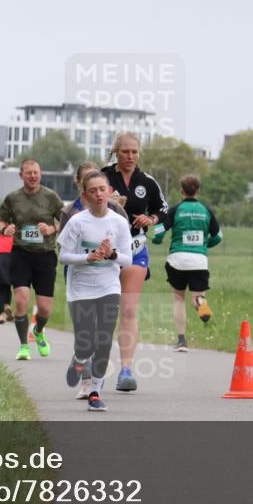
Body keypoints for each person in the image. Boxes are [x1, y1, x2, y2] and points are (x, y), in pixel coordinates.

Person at [58, 170, 133, 411]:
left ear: (110, 191)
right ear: (84, 195)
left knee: (103, 340)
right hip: (80, 289)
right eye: (93, 191)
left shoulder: (119, 222)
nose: (99, 194)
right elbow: (63, 256)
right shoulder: (77, 222)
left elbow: (127, 260)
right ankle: (80, 359)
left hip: (109, 287)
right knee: (86, 342)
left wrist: (112, 255)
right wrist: (87, 257)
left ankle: (95, 391)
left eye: (103, 189)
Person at [102, 132, 167, 391]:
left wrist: (150, 220)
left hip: (136, 248)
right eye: (125, 151)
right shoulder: (102, 176)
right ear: (116, 152)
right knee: (104, 311)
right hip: (105, 250)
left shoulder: (147, 181)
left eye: (135, 152)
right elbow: (83, 204)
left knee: (128, 310)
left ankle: (126, 371)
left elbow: (163, 209)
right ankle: (91, 362)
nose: (130, 156)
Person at [0, 159, 64, 361]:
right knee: (21, 300)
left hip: (45, 255)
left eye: (36, 172)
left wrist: (52, 229)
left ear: (40, 174)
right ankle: (24, 345)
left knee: (44, 308)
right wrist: (4, 229)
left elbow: (66, 220)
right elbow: (1, 219)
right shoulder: (12, 198)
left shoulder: (51, 197)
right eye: (28, 173)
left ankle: (39, 331)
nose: (32, 176)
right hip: (21, 253)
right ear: (21, 176)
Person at [151, 174, 223, 353]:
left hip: (177, 260)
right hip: (199, 260)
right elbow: (218, 236)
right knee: (197, 296)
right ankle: (202, 306)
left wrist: (157, 240)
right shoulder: (206, 210)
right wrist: (205, 245)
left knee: (178, 299)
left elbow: (160, 229)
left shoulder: (175, 210)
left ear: (181, 191)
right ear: (198, 190)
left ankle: (182, 341)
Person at [60, 161, 128, 283]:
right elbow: (63, 248)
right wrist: (86, 256)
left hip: (107, 272)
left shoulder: (115, 208)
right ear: (79, 182)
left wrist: (112, 254)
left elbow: (125, 242)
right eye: (87, 178)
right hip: (78, 273)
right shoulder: (69, 212)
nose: (92, 180)